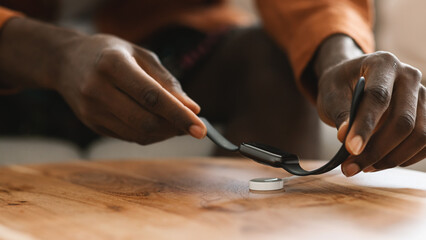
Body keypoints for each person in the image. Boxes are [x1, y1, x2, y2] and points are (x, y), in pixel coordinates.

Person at [0, 0, 424, 177]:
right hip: (15, 50)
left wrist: (336, 47)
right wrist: (50, 54)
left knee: (270, 61)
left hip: (175, 39)